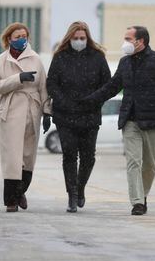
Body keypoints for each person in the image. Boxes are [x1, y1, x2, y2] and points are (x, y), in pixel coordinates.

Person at [81, 26, 155, 215]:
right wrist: (90, 100)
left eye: (128, 38)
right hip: (130, 120)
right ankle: (137, 202)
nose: (124, 42)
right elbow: (112, 87)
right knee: (133, 161)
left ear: (140, 41)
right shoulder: (124, 62)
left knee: (151, 164)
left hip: (153, 120)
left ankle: (142, 194)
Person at [47, 21, 111, 213]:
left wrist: (94, 100)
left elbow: (107, 85)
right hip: (65, 115)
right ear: (69, 38)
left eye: (82, 38)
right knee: (69, 155)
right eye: (75, 38)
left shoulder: (97, 57)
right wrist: (63, 101)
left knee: (88, 157)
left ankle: (81, 187)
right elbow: (52, 84)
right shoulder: (60, 57)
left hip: (89, 114)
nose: (79, 41)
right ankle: (72, 195)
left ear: (87, 38)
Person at [0, 22, 51, 212]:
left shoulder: (36, 59)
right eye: (17, 37)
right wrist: (18, 79)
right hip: (9, 112)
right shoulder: (0, 61)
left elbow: (43, 87)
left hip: (32, 110)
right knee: (12, 157)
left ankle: (20, 191)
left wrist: (47, 111)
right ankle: (11, 200)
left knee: (28, 156)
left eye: (24, 36)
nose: (21, 40)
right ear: (9, 39)